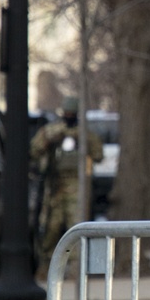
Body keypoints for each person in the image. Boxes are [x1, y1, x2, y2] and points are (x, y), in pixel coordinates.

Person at [31, 97, 103, 280]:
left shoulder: (85, 133)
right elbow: (35, 150)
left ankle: (76, 271)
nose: (69, 117)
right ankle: (45, 269)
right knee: (50, 229)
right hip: (54, 186)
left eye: (72, 114)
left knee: (76, 227)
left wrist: (82, 140)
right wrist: (51, 138)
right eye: (67, 114)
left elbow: (98, 154)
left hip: (76, 186)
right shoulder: (51, 131)